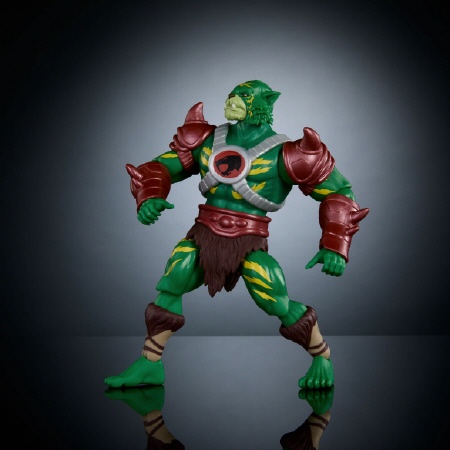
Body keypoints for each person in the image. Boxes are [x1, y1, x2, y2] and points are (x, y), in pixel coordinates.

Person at [104, 80, 369, 389]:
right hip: (204, 232)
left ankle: (322, 357)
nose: (232, 99)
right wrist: (150, 195)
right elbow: (161, 167)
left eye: (243, 96)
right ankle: (149, 364)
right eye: (232, 94)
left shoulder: (288, 153)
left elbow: (339, 192)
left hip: (249, 239)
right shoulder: (205, 140)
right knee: (176, 275)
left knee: (275, 299)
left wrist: (335, 243)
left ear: (265, 103)